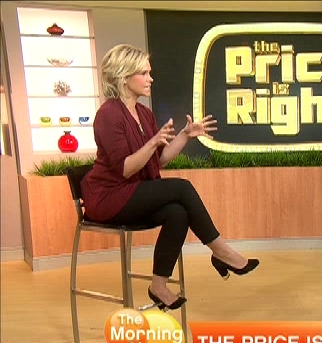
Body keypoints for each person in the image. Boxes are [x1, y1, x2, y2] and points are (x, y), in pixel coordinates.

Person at [80, 44, 259, 311]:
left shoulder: (144, 114)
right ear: (124, 76)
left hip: (134, 191)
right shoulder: (108, 115)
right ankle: (221, 252)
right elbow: (125, 169)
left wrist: (185, 135)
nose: (150, 79)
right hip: (108, 197)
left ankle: (158, 286)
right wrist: (152, 142)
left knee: (178, 212)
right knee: (182, 188)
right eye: (144, 73)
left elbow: (158, 160)